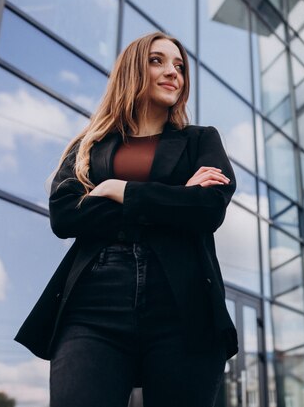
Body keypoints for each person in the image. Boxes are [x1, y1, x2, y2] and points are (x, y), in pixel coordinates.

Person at [14, 31, 238, 407]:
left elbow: (207, 208)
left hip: (181, 306)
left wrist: (119, 189)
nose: (173, 73)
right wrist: (176, 197)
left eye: (179, 66)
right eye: (158, 61)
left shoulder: (201, 140)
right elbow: (66, 216)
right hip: (94, 302)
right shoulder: (88, 145)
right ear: (132, 71)